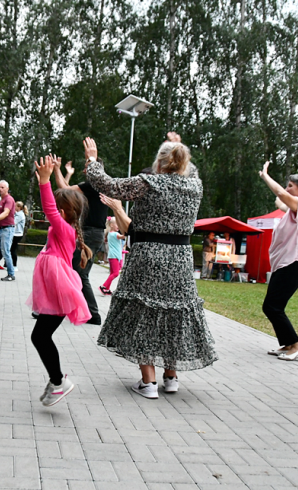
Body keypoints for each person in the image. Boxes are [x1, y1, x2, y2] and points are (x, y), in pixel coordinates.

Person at [84, 135, 217, 399]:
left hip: (148, 255)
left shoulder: (148, 183)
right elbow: (191, 170)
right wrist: (177, 148)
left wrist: (92, 159)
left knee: (144, 311)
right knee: (174, 313)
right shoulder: (195, 186)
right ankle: (171, 377)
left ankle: (148, 382)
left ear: (159, 162)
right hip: (180, 257)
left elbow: (109, 186)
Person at [27, 156, 91, 406]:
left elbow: (50, 209)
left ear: (63, 212)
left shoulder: (64, 228)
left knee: (40, 337)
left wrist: (44, 182)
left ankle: (58, 381)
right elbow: (57, 206)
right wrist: (54, 174)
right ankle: (56, 379)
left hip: (60, 290)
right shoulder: (65, 228)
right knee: (41, 337)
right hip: (56, 291)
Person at [259, 162, 298, 361]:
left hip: (292, 264)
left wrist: (266, 175)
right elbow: (280, 200)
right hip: (285, 264)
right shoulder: (294, 209)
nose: (287, 189)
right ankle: (288, 344)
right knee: (274, 306)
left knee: (272, 306)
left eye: (291, 185)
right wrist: (280, 192)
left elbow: (282, 196)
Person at [53, 157, 107, 325]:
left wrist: (56, 169)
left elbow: (64, 189)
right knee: (74, 271)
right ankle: (68, 309)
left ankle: (93, 314)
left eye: (87, 167)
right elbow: (67, 190)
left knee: (79, 273)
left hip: (91, 233)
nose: (84, 171)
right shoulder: (98, 185)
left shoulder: (93, 185)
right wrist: (65, 173)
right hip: (92, 233)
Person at [99, 217, 124, 295]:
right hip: (114, 256)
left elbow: (116, 246)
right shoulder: (115, 234)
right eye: (117, 224)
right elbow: (122, 236)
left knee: (112, 273)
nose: (118, 226)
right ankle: (103, 286)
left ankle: (107, 289)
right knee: (116, 273)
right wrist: (127, 231)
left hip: (112, 256)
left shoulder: (110, 234)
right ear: (111, 225)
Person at [11, 201, 27, 271]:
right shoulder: (17, 214)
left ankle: (14, 266)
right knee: (10, 249)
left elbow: (13, 222)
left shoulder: (20, 215)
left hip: (17, 234)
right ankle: (7, 264)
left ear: (19, 207)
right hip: (15, 233)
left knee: (13, 249)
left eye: (15, 206)